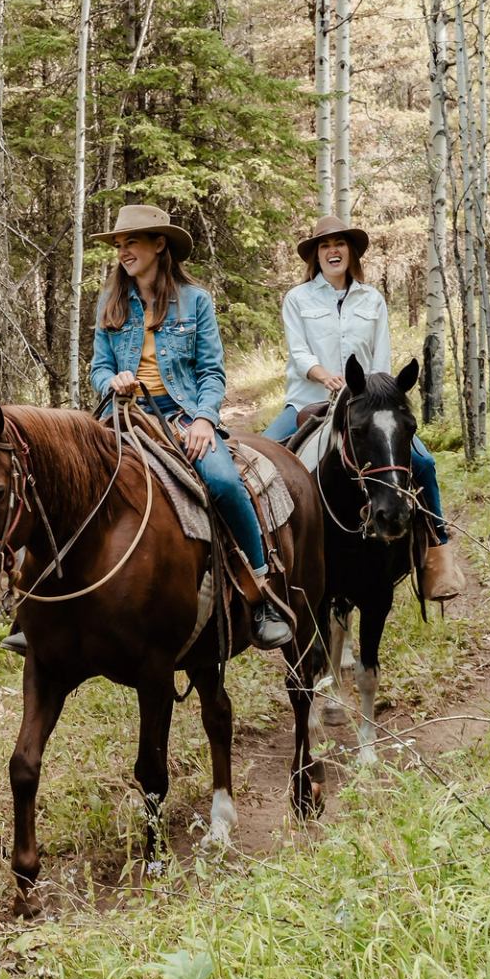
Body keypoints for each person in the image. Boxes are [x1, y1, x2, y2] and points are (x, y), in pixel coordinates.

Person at [88, 203, 294, 650]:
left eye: (132, 243)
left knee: (223, 481)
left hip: (180, 414)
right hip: (123, 414)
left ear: (159, 245)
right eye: (120, 245)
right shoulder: (111, 303)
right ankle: (37, 610)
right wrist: (113, 380)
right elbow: (97, 369)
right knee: (68, 477)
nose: (124, 252)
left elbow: (212, 373)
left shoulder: (195, 301)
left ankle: (260, 594)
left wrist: (203, 419)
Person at [264, 215, 462, 601]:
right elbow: (298, 351)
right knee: (264, 459)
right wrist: (324, 376)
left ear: (351, 251)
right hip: (308, 399)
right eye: (324, 245)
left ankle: (437, 552)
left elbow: (382, 358)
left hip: (364, 402)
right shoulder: (297, 299)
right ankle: (271, 561)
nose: (332, 250)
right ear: (316, 256)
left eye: (339, 244)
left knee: (423, 463)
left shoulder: (371, 299)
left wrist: (372, 392)